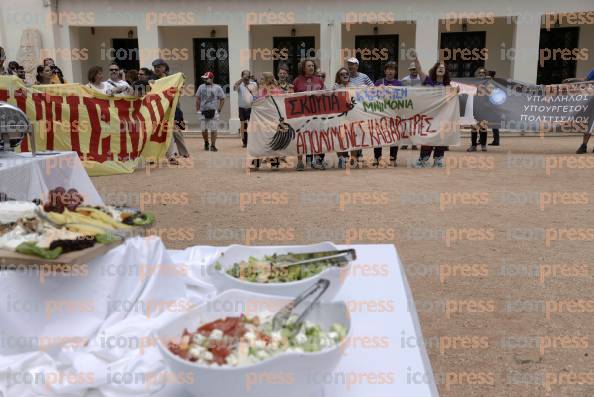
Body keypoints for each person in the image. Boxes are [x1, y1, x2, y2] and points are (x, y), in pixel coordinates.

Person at [152, 58, 190, 162]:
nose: (156, 69)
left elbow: (181, 86)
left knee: (176, 131)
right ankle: (171, 155)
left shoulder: (172, 78)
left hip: (173, 109)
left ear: (164, 67)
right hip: (159, 110)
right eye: (155, 67)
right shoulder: (152, 80)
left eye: (158, 67)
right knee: (164, 132)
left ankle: (184, 152)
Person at [415, 62, 451, 168]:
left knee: (441, 137)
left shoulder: (448, 85)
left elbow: (452, 100)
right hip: (430, 116)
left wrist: (456, 92)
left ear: (445, 71)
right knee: (428, 136)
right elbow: (419, 70)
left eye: (443, 68)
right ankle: (423, 159)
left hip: (443, 116)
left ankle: (438, 159)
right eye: (439, 67)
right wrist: (416, 59)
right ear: (435, 70)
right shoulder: (429, 82)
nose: (441, 68)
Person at [293, 58, 326, 170]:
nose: (311, 67)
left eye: (312, 65)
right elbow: (291, 97)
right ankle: (300, 162)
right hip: (302, 114)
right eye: (308, 66)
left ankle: (316, 161)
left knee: (316, 137)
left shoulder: (319, 80)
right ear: (303, 68)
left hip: (316, 114)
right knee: (301, 138)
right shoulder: (297, 81)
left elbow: (325, 95)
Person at [373, 61, 402, 167]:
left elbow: (404, 98)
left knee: (394, 137)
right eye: (388, 69)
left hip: (394, 115)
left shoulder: (399, 84)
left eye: (393, 69)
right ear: (385, 71)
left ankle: (393, 159)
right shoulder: (378, 82)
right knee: (378, 137)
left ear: (395, 72)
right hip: (380, 114)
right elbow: (371, 95)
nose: (390, 71)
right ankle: (377, 158)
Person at [196, 71, 225, 153]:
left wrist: (219, 109)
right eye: (204, 78)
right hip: (203, 111)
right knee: (203, 129)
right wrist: (197, 110)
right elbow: (198, 98)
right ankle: (206, 142)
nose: (205, 80)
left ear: (212, 78)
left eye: (207, 78)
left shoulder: (217, 87)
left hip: (214, 111)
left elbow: (222, 98)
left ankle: (213, 145)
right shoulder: (201, 87)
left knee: (214, 129)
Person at [234, 70, 258, 148]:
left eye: (248, 75)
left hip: (251, 108)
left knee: (252, 125)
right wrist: (242, 79)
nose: (246, 77)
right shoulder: (240, 84)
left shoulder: (253, 84)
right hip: (242, 108)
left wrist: (255, 79)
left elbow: (258, 90)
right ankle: (245, 142)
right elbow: (234, 88)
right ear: (242, 76)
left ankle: (253, 141)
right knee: (243, 126)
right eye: (244, 75)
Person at [467, 67, 489, 152]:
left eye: (483, 73)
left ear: (485, 75)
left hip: (484, 108)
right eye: (479, 73)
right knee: (474, 128)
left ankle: (483, 145)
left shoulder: (489, 83)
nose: (481, 74)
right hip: (473, 108)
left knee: (483, 128)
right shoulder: (472, 83)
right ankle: (473, 145)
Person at [334, 67, 352, 168]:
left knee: (351, 137)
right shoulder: (335, 87)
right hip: (339, 117)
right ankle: (341, 159)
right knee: (340, 138)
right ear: (338, 77)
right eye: (342, 74)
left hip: (352, 117)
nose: (345, 75)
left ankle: (352, 158)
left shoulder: (353, 86)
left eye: (346, 74)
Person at [488, 70, 500, 146]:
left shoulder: (490, 83)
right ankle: (496, 140)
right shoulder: (497, 83)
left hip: (492, 106)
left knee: (493, 124)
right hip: (494, 105)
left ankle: (496, 140)